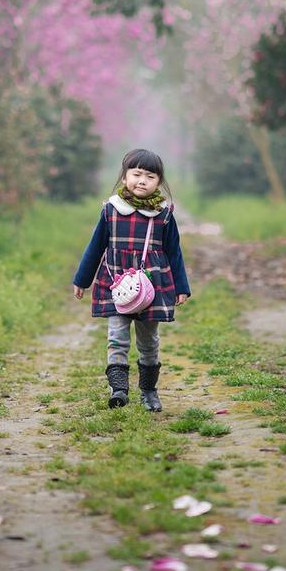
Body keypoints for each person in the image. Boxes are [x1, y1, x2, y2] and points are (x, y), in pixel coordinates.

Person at [73, 148, 190, 412]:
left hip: (152, 287)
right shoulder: (111, 210)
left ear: (158, 182)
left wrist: (181, 287)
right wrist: (82, 280)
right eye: (136, 174)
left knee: (149, 341)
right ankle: (119, 390)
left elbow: (174, 252)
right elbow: (95, 247)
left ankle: (149, 392)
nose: (142, 180)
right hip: (116, 285)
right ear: (124, 177)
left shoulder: (164, 215)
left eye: (150, 176)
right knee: (116, 337)